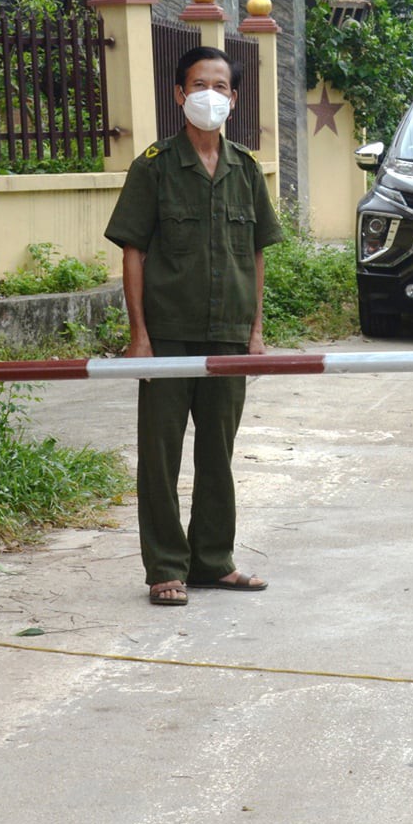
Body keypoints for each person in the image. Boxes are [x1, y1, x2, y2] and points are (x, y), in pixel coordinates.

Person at [105, 46, 284, 605]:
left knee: (218, 454)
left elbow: (255, 255)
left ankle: (213, 561)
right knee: (160, 455)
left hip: (228, 331)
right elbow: (133, 251)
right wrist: (139, 337)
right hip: (167, 335)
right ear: (180, 94)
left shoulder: (246, 169)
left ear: (233, 97)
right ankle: (165, 567)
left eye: (221, 86)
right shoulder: (153, 167)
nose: (211, 94)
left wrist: (255, 332)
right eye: (199, 84)